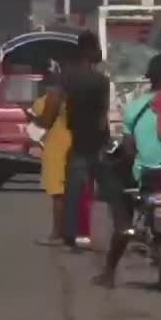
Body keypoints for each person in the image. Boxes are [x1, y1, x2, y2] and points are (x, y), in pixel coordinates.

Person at [93, 53, 161, 287]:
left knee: (124, 221)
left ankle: (109, 271)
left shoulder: (134, 108)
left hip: (145, 174)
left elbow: (128, 150)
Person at [34, 32, 123, 250]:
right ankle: (123, 228)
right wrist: (105, 141)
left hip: (76, 140)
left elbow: (52, 108)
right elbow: (102, 115)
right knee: (111, 191)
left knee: (72, 191)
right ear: (89, 50)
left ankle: (68, 236)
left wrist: (41, 121)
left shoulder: (66, 78)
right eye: (97, 48)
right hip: (96, 141)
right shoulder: (101, 81)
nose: (100, 52)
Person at [29, 60, 73, 246]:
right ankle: (70, 232)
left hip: (58, 145)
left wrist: (33, 118)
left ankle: (57, 234)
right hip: (74, 143)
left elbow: (45, 121)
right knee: (69, 191)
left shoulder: (54, 95)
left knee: (58, 193)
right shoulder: (74, 94)